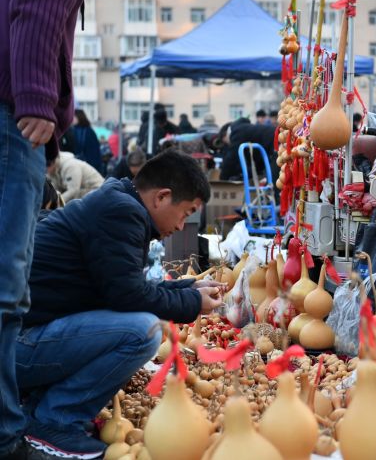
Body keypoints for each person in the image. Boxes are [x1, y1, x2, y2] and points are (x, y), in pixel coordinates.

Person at [17, 151, 223, 458]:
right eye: (186, 212)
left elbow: (121, 285)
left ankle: (43, 407)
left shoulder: (118, 203)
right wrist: (191, 300)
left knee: (140, 322)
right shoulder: (121, 212)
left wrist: (186, 286)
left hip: (22, 338)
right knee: (143, 330)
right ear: (162, 197)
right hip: (15, 346)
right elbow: (126, 296)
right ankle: (54, 419)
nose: (182, 226)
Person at [0, 0, 91, 458]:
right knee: (6, 290)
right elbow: (37, 4)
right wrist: (37, 98)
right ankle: (5, 435)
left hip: (13, 112)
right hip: (12, 109)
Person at [73, 109, 103, 173]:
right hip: (78, 163)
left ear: (79, 117)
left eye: (74, 117)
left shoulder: (88, 131)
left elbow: (93, 151)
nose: (72, 119)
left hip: (88, 164)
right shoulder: (73, 130)